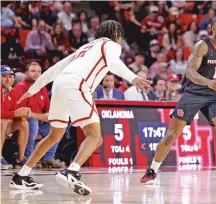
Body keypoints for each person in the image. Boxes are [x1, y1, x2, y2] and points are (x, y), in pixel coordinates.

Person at [10, 20, 151, 195]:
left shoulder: (87, 47)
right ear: (117, 34)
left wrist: (34, 88)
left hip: (60, 84)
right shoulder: (111, 45)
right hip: (77, 84)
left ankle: (21, 175)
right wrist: (134, 78)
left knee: (54, 135)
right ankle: (71, 171)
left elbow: (55, 69)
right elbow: (114, 64)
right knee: (95, 136)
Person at [140, 15, 216, 185]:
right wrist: (208, 82)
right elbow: (190, 72)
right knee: (172, 134)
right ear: (213, 28)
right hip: (193, 93)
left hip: (213, 95)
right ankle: (152, 171)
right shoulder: (202, 46)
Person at [1, 65, 30, 170]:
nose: (8, 79)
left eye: (10, 76)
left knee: (24, 123)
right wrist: (14, 114)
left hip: (6, 123)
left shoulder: (12, 92)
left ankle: (20, 159)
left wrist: (23, 113)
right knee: (3, 122)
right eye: (4, 76)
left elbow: (15, 110)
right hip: (3, 122)